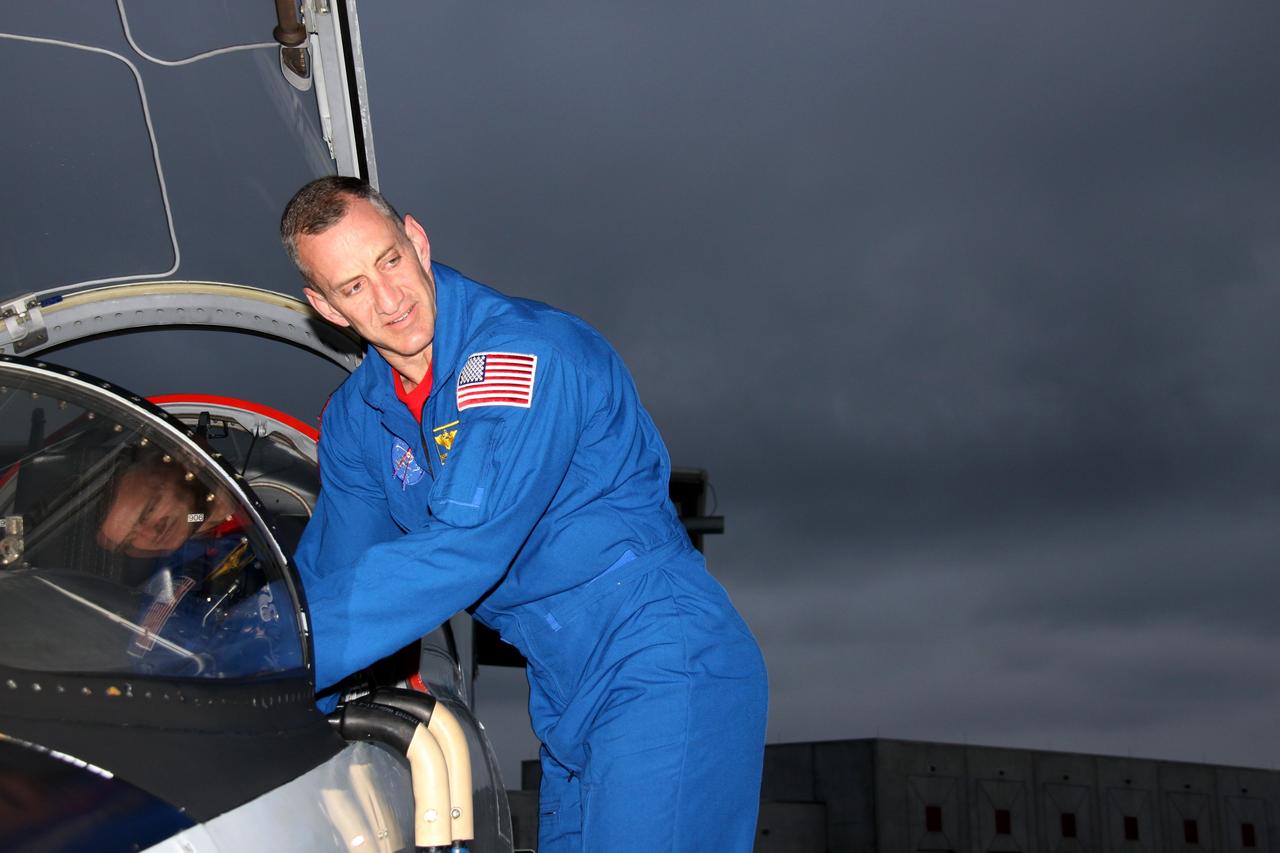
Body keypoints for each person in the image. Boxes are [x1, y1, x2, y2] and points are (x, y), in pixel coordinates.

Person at [280, 176, 767, 852]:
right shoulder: (357, 421)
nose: (389, 299)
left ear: (416, 239)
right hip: (561, 690)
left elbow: (468, 543)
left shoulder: (519, 353)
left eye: (390, 260)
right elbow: (337, 572)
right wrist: (267, 691)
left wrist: (268, 655)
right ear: (324, 306)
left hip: (658, 657)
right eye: (354, 286)